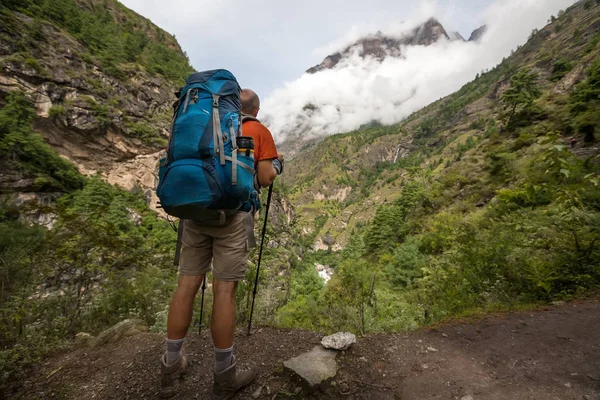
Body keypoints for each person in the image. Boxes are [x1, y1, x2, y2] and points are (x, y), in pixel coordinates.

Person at [160, 88, 283, 399]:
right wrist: (278, 164)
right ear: (256, 108)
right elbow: (266, 177)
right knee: (224, 291)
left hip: (194, 214)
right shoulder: (256, 129)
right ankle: (224, 376)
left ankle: (170, 366)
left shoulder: (199, 124)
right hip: (232, 218)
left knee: (186, 285)